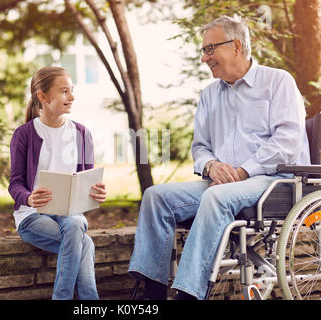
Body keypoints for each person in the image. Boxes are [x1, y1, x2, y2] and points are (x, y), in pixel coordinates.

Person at [128, 15, 310, 300]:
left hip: (272, 181)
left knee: (216, 198)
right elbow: (200, 147)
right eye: (203, 50)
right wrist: (211, 165)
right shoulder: (209, 94)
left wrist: (241, 171)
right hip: (222, 182)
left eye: (210, 49)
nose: (204, 58)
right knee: (155, 197)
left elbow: (286, 143)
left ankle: (188, 294)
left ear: (237, 46)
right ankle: (151, 293)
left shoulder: (277, 82)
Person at [8, 66, 106, 300]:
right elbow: (15, 184)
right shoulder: (24, 134)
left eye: (71, 91)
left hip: (70, 214)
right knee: (85, 244)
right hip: (32, 216)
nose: (71, 97)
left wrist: (95, 193)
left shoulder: (82, 134)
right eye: (64, 91)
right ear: (43, 96)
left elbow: (85, 181)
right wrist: (29, 197)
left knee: (74, 224)